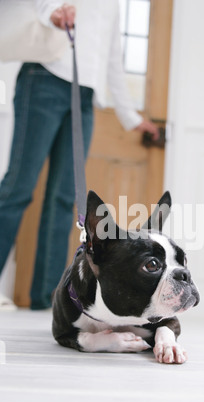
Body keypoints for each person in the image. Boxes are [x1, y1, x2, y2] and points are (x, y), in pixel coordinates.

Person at [0, 0, 159, 310]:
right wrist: (53, 14)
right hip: (44, 77)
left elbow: (113, 57)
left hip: (85, 95)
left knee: (63, 199)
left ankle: (45, 299)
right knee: (17, 189)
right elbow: (41, 4)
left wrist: (129, 115)